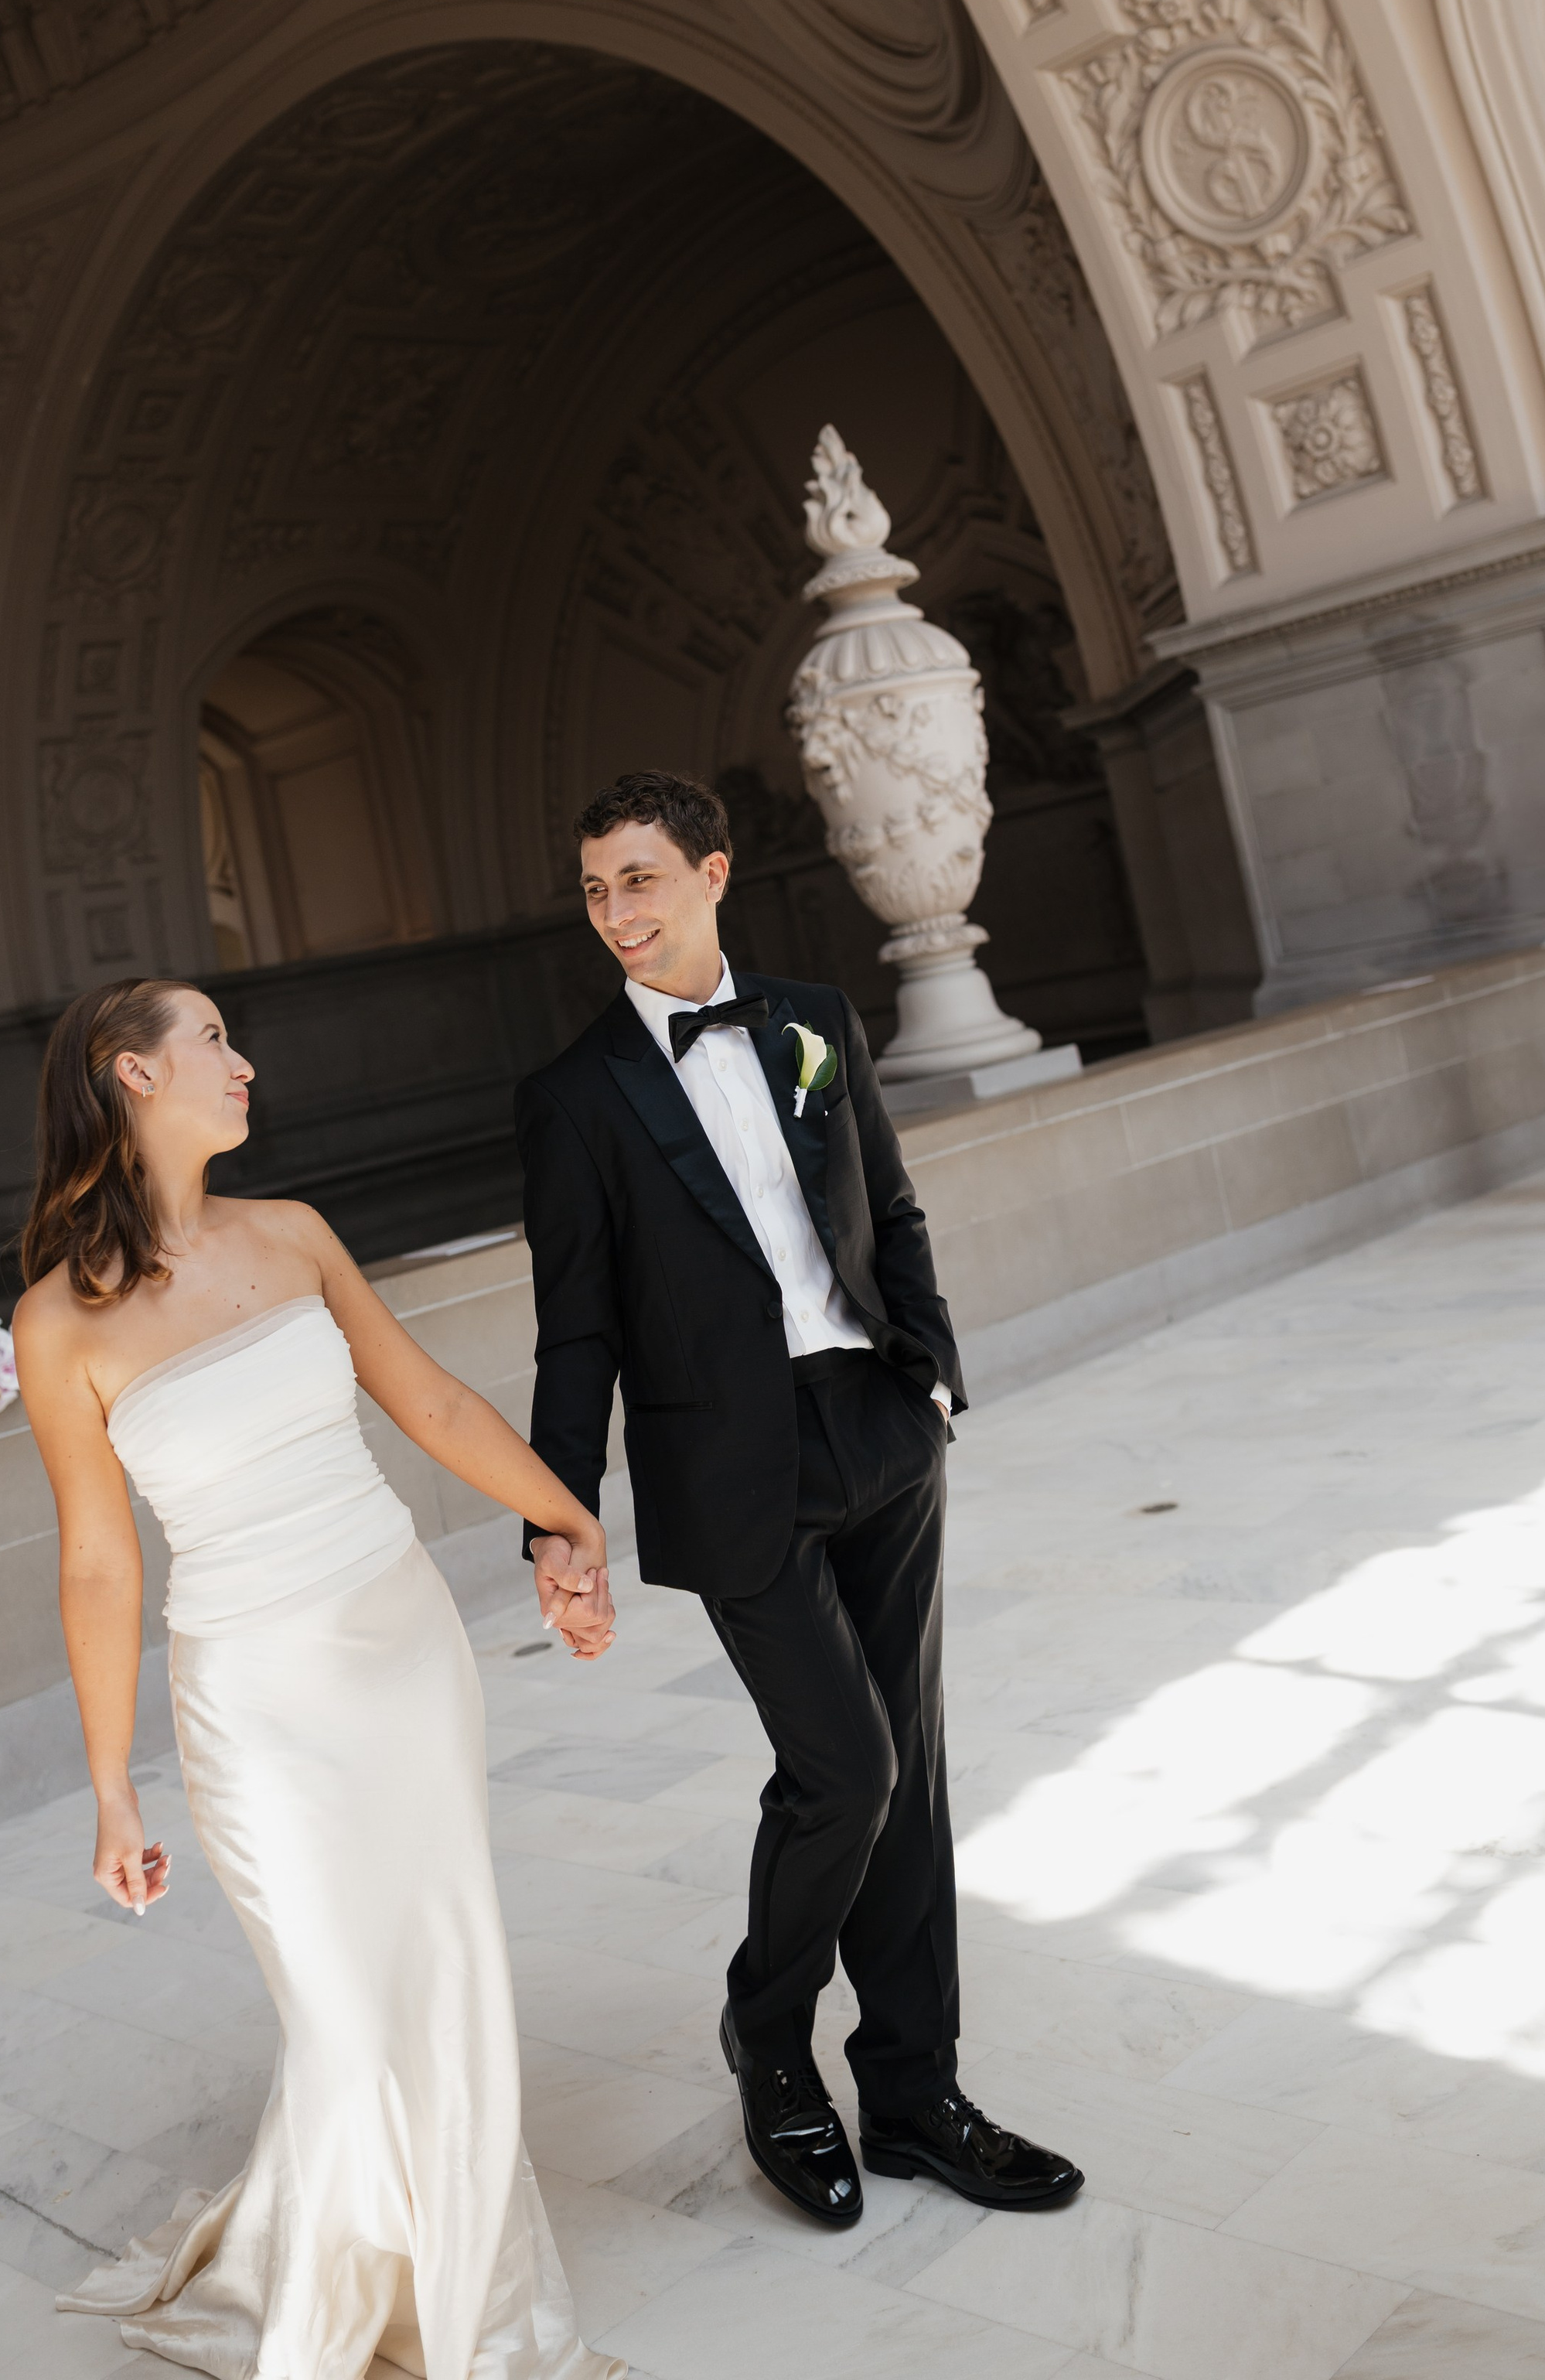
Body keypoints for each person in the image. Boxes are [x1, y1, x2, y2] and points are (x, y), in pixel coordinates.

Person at [12, 977, 625, 2380]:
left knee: (443, 1963)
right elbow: (101, 1565)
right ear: (130, 1075)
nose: (243, 1062)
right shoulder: (60, 1324)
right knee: (343, 2011)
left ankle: (467, 2298)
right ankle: (337, 2306)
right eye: (213, 1040)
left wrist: (562, 1516)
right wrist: (111, 1787)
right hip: (255, 1697)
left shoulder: (292, 1237)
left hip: (400, 1647)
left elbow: (432, 1402)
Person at [517, 770, 1082, 2229]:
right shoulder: (574, 1099)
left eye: (638, 879)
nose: (615, 912)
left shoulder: (816, 1021)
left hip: (881, 1430)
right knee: (847, 1770)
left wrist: (934, 1378)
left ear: (711, 875)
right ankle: (768, 2042)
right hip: (727, 1472)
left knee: (914, 1773)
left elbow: (887, 1210)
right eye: (594, 889)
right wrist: (556, 1516)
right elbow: (574, 1331)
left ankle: (914, 2095)